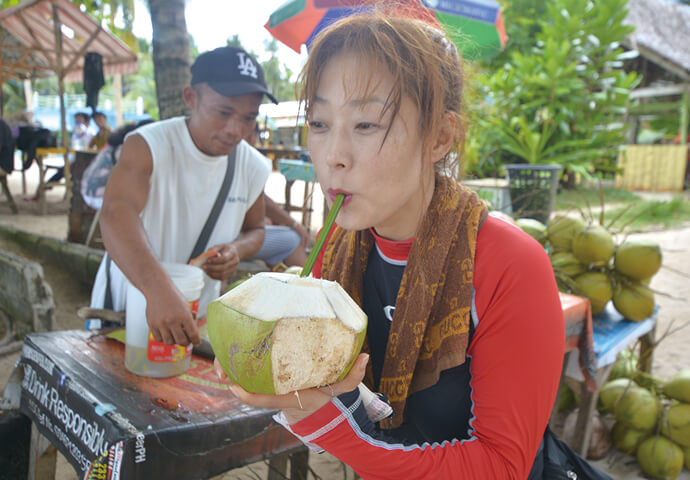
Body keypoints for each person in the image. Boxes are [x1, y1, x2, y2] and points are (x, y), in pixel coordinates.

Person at [215, 13, 568, 480]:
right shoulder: (337, 254)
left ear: (440, 136)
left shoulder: (508, 263)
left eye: (365, 124)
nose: (334, 156)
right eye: (319, 123)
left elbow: (502, 465)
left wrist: (328, 428)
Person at [89, 46, 278, 347]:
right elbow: (115, 212)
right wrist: (157, 290)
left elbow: (256, 229)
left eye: (248, 118)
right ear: (191, 97)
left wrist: (236, 250)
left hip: (192, 320)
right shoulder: (148, 146)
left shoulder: (252, 166)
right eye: (224, 112)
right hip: (128, 310)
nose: (235, 130)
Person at [244, 125, 309, 268]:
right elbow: (263, 202)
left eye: (253, 134)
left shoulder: (245, 159)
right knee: (293, 239)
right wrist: (295, 224)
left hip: (239, 233)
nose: (252, 139)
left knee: (275, 224)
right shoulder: (246, 159)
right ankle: (306, 285)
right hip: (234, 238)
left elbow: (260, 200)